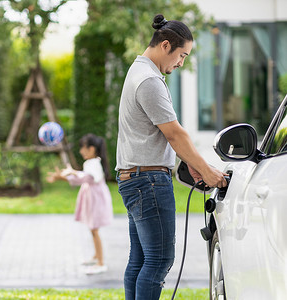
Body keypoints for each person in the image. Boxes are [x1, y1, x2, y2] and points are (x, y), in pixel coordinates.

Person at [115, 14, 228, 299]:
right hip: (149, 182)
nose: (181, 63)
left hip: (134, 178)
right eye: (182, 55)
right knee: (159, 260)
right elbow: (175, 134)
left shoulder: (137, 71)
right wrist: (209, 172)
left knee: (140, 260)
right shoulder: (149, 80)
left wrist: (196, 165)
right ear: (166, 45)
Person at [47, 133, 113, 275]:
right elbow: (83, 178)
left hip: (96, 201)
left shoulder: (94, 162)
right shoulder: (92, 162)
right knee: (92, 228)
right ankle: (96, 256)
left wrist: (70, 174)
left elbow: (86, 178)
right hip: (93, 199)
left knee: (94, 229)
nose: (81, 151)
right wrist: (70, 174)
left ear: (92, 149)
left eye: (83, 148)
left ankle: (101, 263)